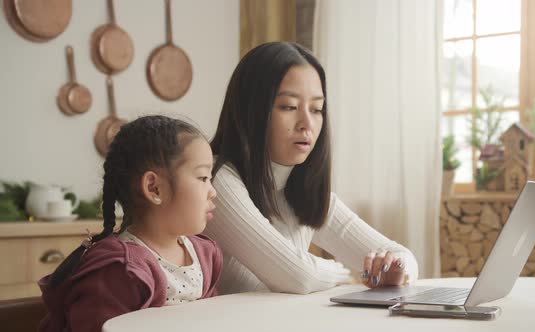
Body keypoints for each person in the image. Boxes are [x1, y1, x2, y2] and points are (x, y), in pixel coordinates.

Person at [204, 42, 418, 295]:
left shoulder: (301, 191)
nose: (307, 124)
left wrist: (397, 269)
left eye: (317, 109)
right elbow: (299, 276)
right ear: (251, 109)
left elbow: (404, 256)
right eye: (289, 107)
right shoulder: (215, 181)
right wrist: (346, 274)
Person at [38, 115, 222, 332]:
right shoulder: (119, 271)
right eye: (202, 178)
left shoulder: (205, 255)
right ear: (154, 188)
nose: (213, 191)